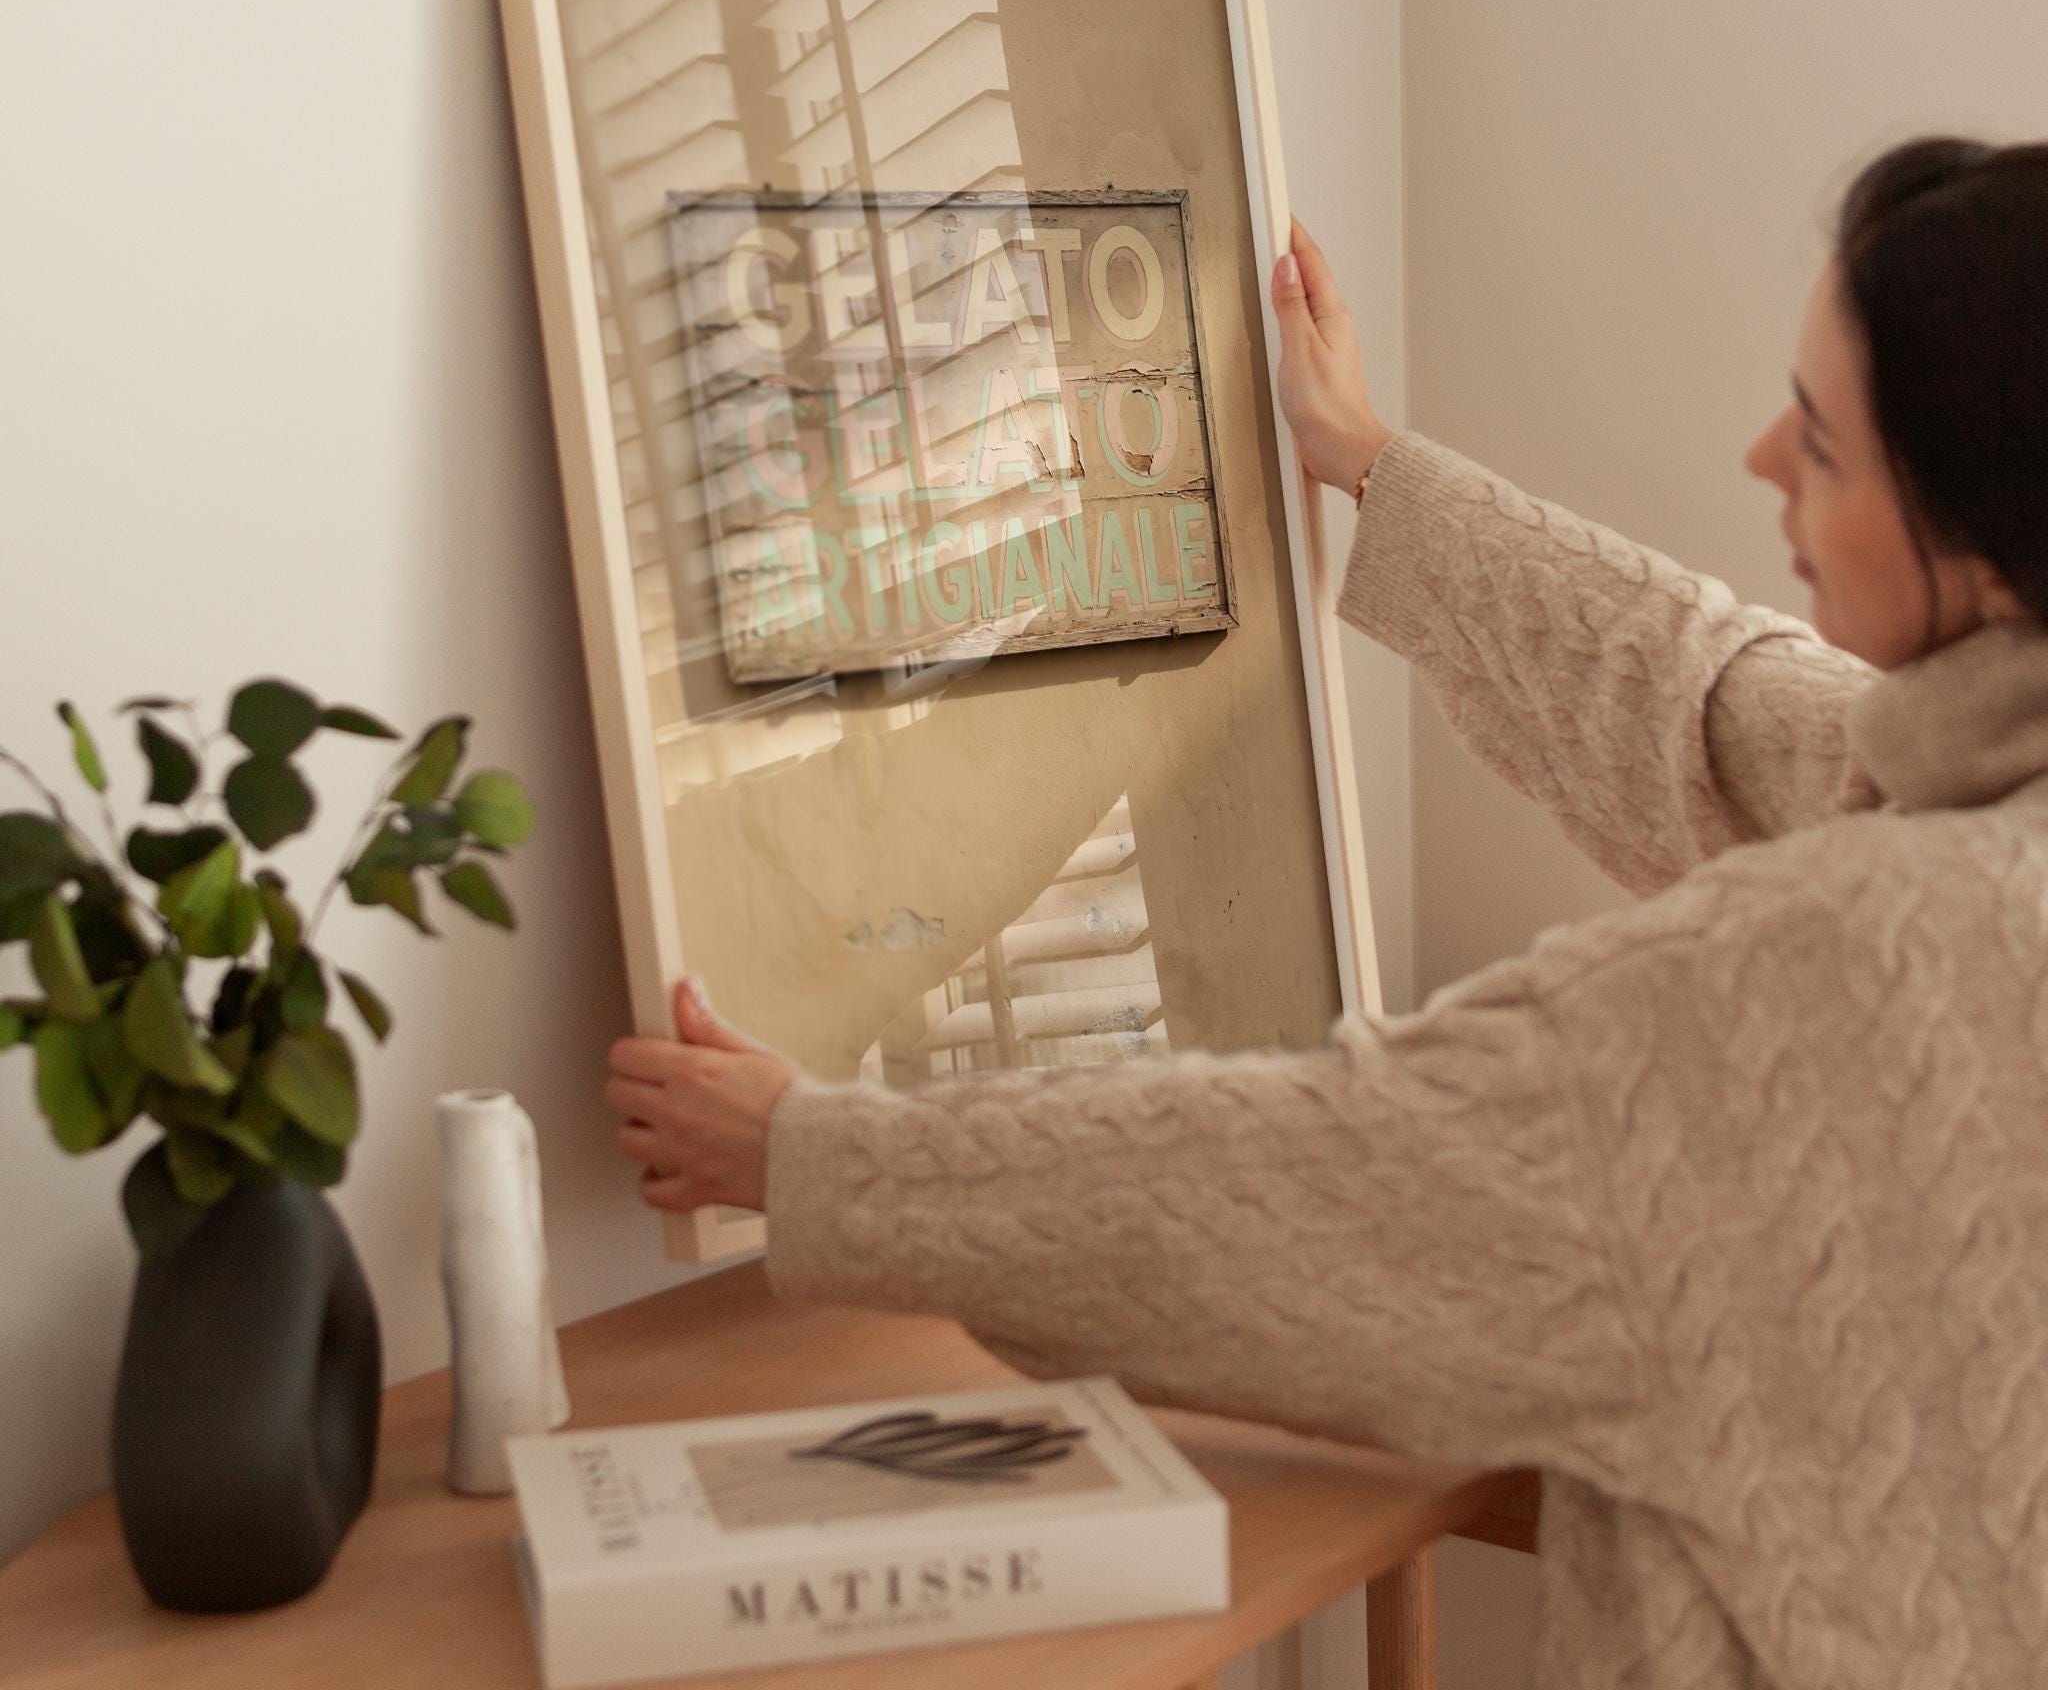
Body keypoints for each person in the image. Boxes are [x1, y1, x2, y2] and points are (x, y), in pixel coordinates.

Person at [605, 136, 2048, 1688]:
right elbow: (1710, 706)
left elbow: (1314, 1178)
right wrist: (1370, 465)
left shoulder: (1824, 977)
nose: (1763, 457)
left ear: (1986, 552)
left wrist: (808, 1156)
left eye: (1822, 444)